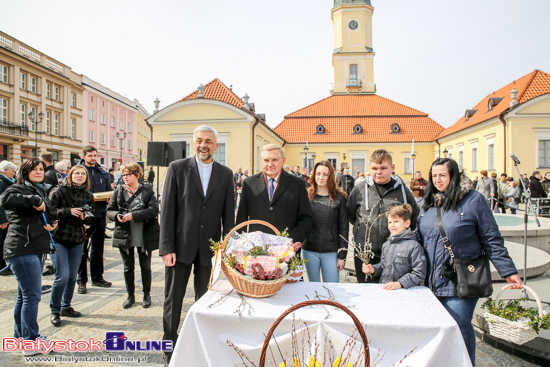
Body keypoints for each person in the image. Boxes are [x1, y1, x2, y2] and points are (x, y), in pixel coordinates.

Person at [416, 158, 522, 366]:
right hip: (431, 280)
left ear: (453, 176)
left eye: (442, 175)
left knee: (459, 325)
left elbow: (491, 238)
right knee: (437, 328)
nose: (437, 180)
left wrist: (508, 270)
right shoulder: (426, 203)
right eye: (434, 176)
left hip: (462, 278)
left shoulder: (473, 200)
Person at [160, 125, 234, 366]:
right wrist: (166, 247)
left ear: (216, 145)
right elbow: (168, 210)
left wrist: (226, 250)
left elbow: (229, 217)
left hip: (210, 250)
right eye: (200, 140)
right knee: (174, 299)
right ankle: (169, 346)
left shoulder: (225, 174)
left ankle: (202, 343)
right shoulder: (177, 168)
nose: (204, 145)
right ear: (194, 143)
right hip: (179, 248)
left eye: (209, 141)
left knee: (206, 300)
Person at [0, 158, 57, 351]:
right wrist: (34, 200)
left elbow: (41, 215)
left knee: (23, 296)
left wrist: (51, 223)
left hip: (35, 247)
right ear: (25, 171)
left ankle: (20, 337)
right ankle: (30, 342)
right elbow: (5, 200)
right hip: (22, 249)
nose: (39, 172)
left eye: (41, 169)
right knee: (32, 296)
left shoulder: (39, 189)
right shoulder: (17, 189)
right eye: (34, 169)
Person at [347, 149, 419, 283]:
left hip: (396, 253)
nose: (378, 172)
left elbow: (413, 216)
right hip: (365, 255)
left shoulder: (403, 190)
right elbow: (351, 215)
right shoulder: (360, 189)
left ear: (392, 168)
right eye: (374, 168)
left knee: (392, 294)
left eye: (383, 168)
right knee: (367, 294)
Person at [236, 144, 314, 245]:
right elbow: (241, 219)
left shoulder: (297, 184)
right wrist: (240, 245)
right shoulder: (249, 183)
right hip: (255, 251)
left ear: (283, 160)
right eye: (266, 160)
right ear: (261, 161)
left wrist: (292, 240)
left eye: (274, 160)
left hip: (286, 251)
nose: (270, 164)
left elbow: (306, 218)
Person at [107, 163, 159, 309]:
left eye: (128, 174)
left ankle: (146, 295)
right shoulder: (119, 190)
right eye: (123, 175)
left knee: (145, 266)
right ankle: (130, 296)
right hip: (125, 234)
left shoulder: (147, 190)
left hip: (144, 234)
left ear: (137, 175)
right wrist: (117, 215)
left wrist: (133, 215)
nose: (125, 178)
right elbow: (109, 210)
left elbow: (154, 210)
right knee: (127, 267)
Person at [48, 165, 95, 326]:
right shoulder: (58, 191)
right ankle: (55, 310)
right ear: (70, 175)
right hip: (59, 238)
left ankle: (65, 306)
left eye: (83, 174)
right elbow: (49, 212)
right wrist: (68, 211)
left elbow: (91, 217)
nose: (80, 176)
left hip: (77, 239)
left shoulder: (88, 196)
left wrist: (85, 218)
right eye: (77, 173)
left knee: (72, 276)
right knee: (62, 275)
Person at [302, 160, 348, 283]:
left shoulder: (339, 198)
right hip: (309, 250)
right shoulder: (306, 196)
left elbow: (344, 228)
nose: (321, 177)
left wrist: (342, 255)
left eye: (325, 174)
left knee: (332, 288)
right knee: (313, 287)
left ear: (330, 176)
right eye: (318, 174)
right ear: (313, 175)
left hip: (330, 251)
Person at [362, 204, 427, 289]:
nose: (392, 225)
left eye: (396, 222)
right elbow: (383, 266)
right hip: (386, 288)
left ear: (407, 223)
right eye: (390, 222)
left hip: (405, 292)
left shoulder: (414, 246)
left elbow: (419, 273)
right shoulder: (386, 245)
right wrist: (373, 269)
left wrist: (400, 283)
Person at [77, 146, 113, 294]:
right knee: (81, 250)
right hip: (82, 216)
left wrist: (108, 198)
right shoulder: (78, 172)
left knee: (98, 248)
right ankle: (81, 281)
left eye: (95, 155)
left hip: (99, 213)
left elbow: (108, 191)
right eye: (90, 155)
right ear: (84, 156)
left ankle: (97, 277)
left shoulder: (102, 173)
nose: (93, 158)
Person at [0, 161, 16, 276]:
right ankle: (2, 266)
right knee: (2, 242)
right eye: (12, 171)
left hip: (7, 218)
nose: (14, 174)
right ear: (5, 170)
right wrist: (3, 219)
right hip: (3, 219)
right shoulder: (1, 182)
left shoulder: (7, 181)